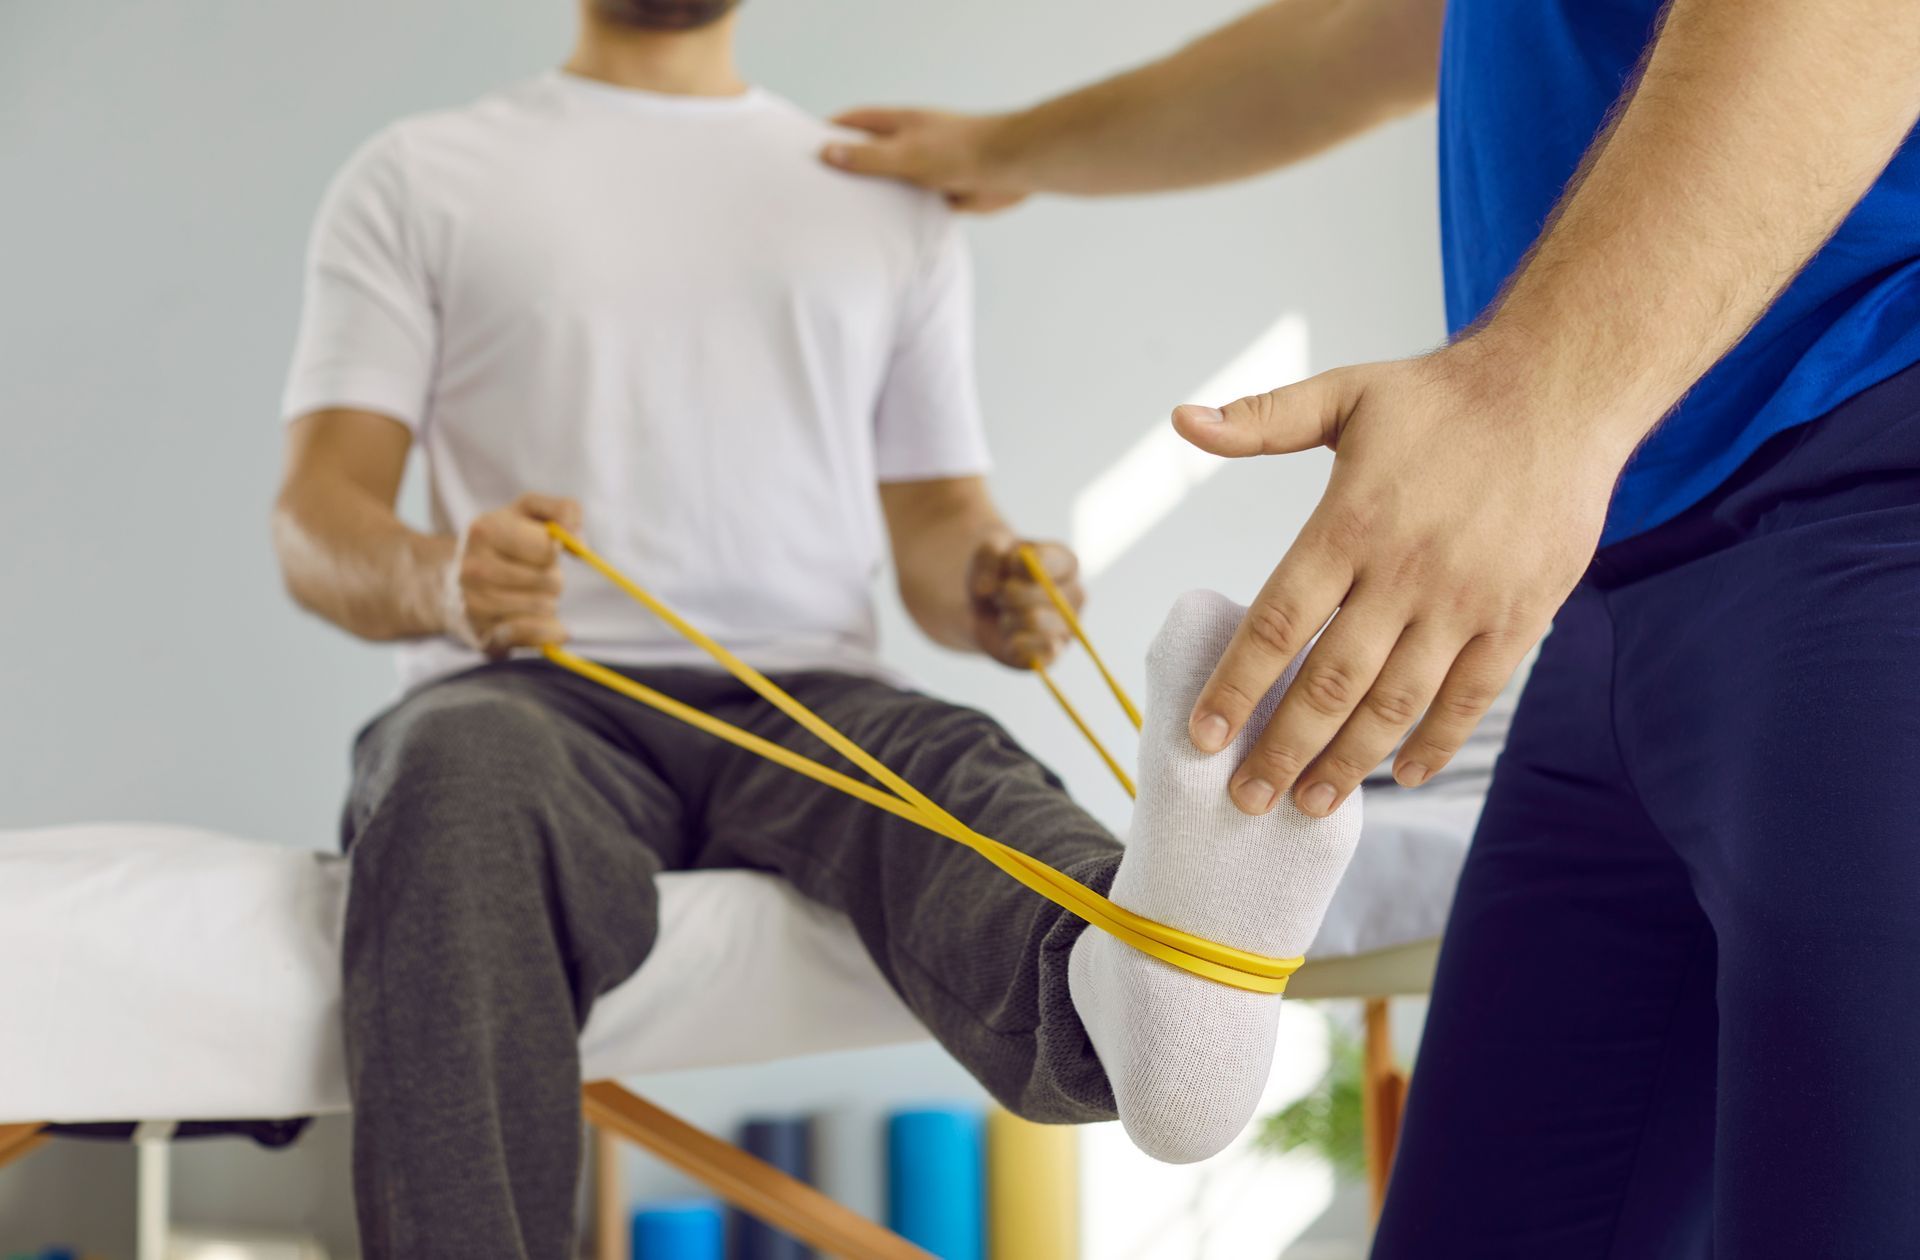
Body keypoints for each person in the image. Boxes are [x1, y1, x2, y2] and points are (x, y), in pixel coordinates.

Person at [822, 0, 1920, 1254]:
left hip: (1867, 505)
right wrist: (1006, 149)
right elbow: (1372, 36)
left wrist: (1534, 397)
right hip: (1620, 583)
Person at [271, 2, 1363, 1255]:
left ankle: (1139, 995)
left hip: (810, 693)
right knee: (455, 776)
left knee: (951, 770)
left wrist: (998, 582)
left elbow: (940, 526)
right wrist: (436, 580)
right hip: (531, 691)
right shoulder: (418, 176)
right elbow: (317, 516)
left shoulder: (885, 198)